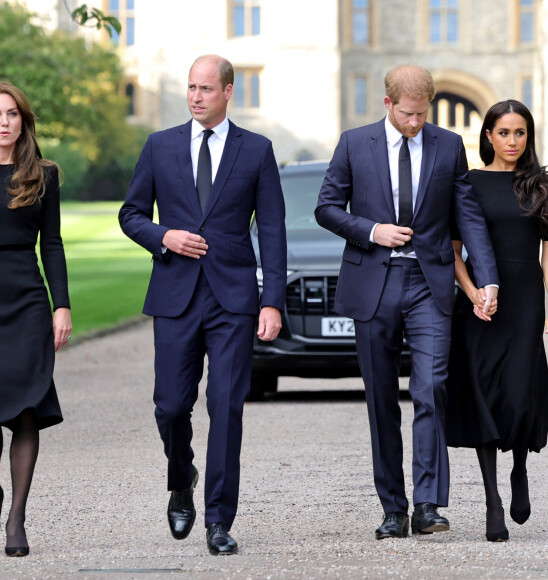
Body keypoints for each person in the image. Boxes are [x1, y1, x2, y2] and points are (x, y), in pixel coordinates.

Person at [315, 65, 499, 540]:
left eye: (422, 113)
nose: (416, 122)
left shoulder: (448, 145)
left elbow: (469, 217)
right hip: (373, 280)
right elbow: (327, 207)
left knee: (432, 389)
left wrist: (487, 279)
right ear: (388, 104)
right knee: (381, 399)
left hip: (429, 283)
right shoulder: (354, 143)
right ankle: (392, 509)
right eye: (408, 113)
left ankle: (428, 506)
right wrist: (373, 231)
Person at [119, 55, 286, 555]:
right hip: (174, 296)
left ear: (228, 91)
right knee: (170, 406)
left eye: (206, 88)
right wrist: (163, 234)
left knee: (226, 407)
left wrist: (271, 302)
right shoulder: (160, 145)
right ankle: (180, 474)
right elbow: (130, 214)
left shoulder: (256, 151)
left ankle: (219, 520)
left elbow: (274, 231)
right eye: (191, 87)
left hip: (233, 299)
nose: (195, 96)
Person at [0, 83, 71, 557]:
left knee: (26, 410)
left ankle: (16, 517)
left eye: (12, 114)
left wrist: (61, 305)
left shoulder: (43, 176)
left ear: (23, 121)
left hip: (28, 300)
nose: (4, 122)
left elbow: (51, 244)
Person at [446, 100, 548, 542]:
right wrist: (472, 295)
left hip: (526, 301)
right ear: (488, 135)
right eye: (504, 132)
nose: (512, 141)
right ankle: (491, 500)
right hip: (481, 304)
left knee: (520, 393)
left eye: (520, 133)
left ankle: (520, 467)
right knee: (484, 393)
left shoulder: (540, 184)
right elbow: (452, 253)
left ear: (528, 137)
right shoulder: (467, 184)